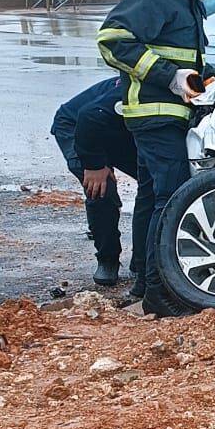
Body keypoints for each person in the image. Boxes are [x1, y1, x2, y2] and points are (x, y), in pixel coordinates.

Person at [96, 0, 215, 316]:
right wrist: (168, 77)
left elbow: (179, 56)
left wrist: (205, 76)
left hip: (161, 114)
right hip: (156, 114)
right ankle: (162, 294)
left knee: (150, 199)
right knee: (172, 198)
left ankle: (145, 281)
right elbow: (113, 40)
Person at [50, 77, 144, 291]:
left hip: (120, 132)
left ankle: (141, 259)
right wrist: (94, 165)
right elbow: (89, 116)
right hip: (79, 128)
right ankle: (107, 258)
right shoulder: (134, 88)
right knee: (102, 191)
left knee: (154, 184)